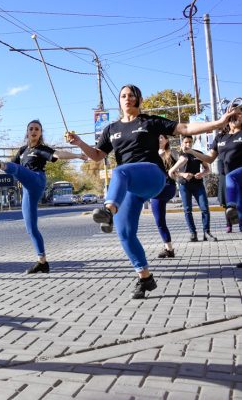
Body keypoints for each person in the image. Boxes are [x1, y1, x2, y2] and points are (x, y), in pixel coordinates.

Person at [67, 84, 233, 299]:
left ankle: (108, 210)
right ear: (119, 100)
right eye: (123, 96)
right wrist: (79, 142)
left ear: (138, 99)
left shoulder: (149, 122)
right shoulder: (111, 129)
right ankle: (145, 277)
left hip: (152, 175)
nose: (127, 99)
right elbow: (98, 156)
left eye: (131, 95)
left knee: (120, 172)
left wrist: (219, 123)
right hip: (129, 185)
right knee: (125, 233)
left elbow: (185, 129)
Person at [0, 120, 86, 274]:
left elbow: (58, 154)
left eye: (37, 129)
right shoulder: (22, 150)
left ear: (40, 133)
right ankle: (42, 261)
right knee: (30, 227)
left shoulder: (41, 149)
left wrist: (78, 155)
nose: (34, 131)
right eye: (31, 129)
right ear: (27, 132)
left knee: (13, 168)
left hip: (37, 180)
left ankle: (0, 164)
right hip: (26, 188)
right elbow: (13, 169)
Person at [181, 99, 242, 263]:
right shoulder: (220, 137)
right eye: (233, 112)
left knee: (232, 183)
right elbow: (209, 158)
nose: (236, 115)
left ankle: (231, 207)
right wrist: (192, 151)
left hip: (239, 176)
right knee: (241, 217)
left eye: (239, 113)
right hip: (232, 183)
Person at [168, 135, 214, 242]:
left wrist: (202, 174)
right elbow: (172, 172)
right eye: (186, 142)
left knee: (205, 208)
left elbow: (207, 169)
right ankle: (193, 233)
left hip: (198, 184)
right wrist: (183, 174)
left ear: (192, 142)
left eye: (190, 142)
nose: (188, 144)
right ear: (182, 143)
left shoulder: (198, 154)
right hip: (184, 185)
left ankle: (206, 232)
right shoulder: (177, 155)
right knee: (187, 210)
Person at [150, 135, 178, 258]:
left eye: (162, 137)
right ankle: (169, 249)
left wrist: (173, 171)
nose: (159, 139)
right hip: (155, 189)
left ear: (167, 140)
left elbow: (182, 161)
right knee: (160, 221)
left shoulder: (171, 153)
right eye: (158, 137)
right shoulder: (150, 153)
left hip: (167, 187)